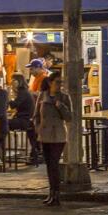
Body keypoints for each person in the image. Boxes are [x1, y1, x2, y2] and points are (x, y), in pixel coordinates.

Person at [34, 71, 72, 207]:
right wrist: (38, 128)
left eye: (61, 82)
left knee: (54, 164)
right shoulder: (42, 96)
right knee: (49, 165)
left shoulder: (64, 97)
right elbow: (36, 115)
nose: (59, 85)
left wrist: (60, 106)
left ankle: (57, 194)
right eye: (57, 82)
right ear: (50, 83)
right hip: (45, 134)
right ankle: (51, 193)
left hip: (58, 135)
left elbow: (69, 117)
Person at [9, 73, 40, 165]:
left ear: (18, 82)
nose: (11, 82)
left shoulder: (23, 92)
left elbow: (13, 105)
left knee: (1, 125)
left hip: (24, 121)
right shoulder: (25, 92)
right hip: (29, 121)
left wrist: (8, 95)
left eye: (13, 80)